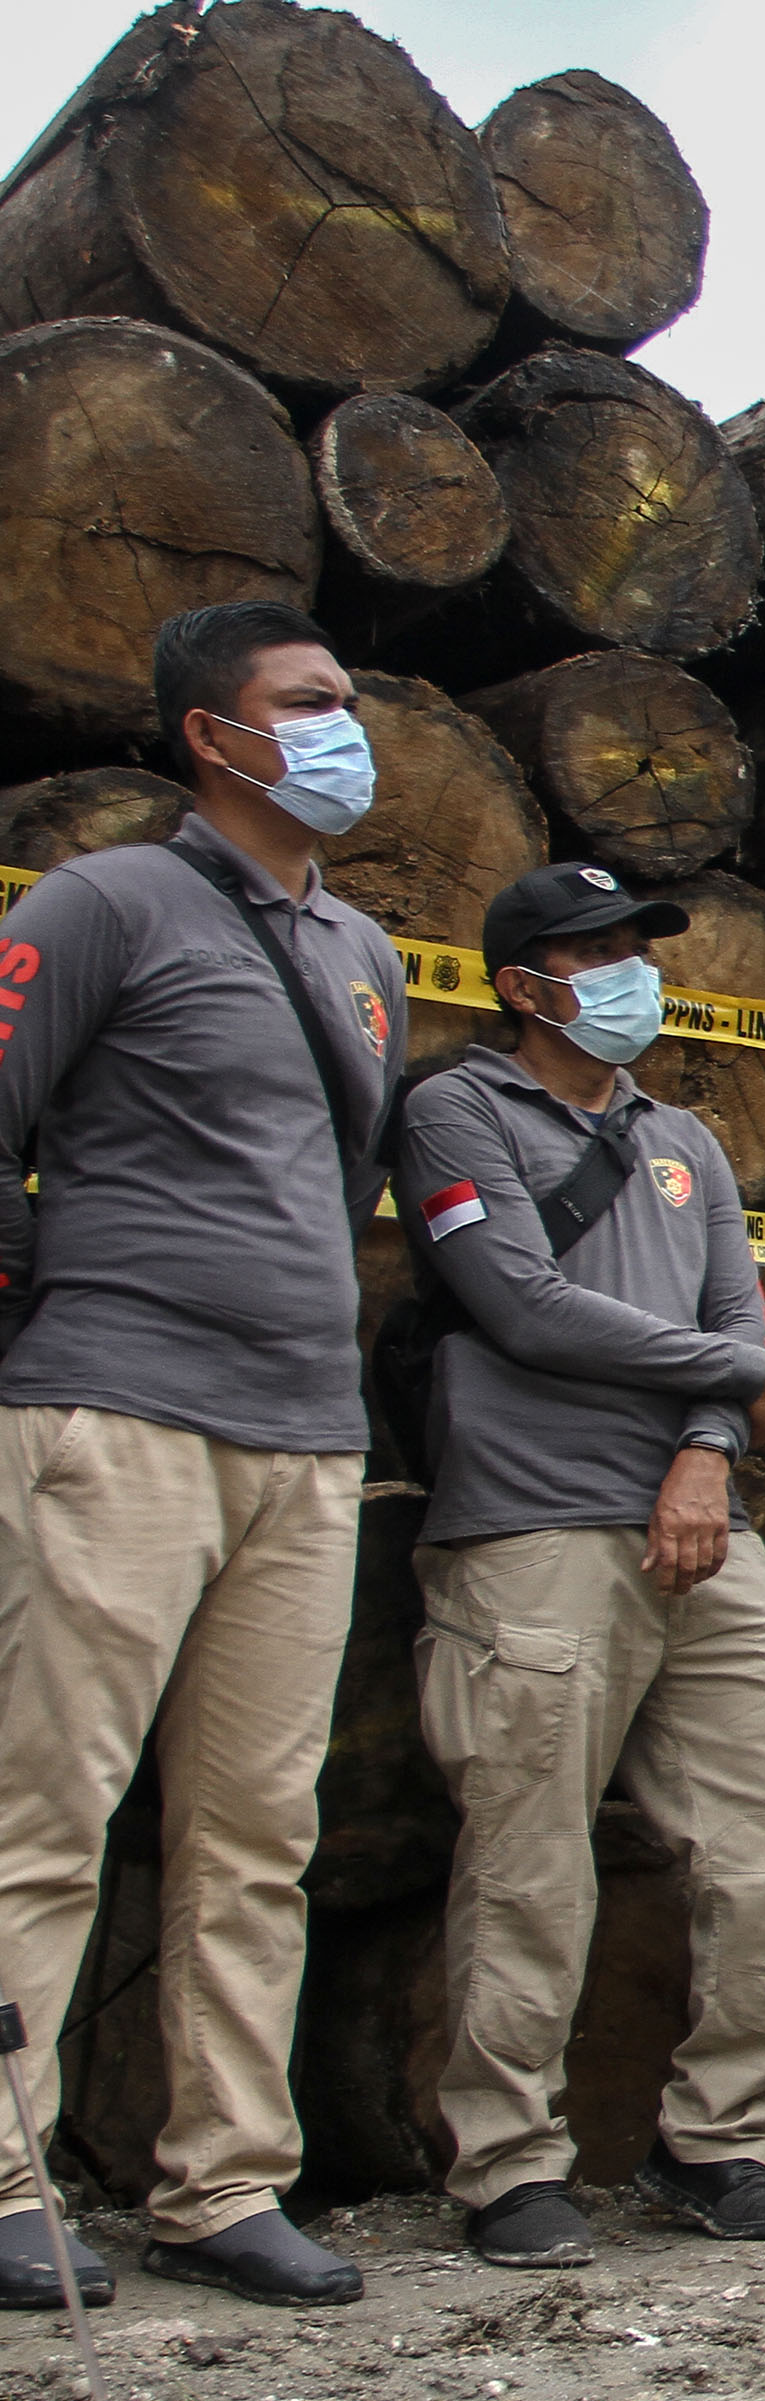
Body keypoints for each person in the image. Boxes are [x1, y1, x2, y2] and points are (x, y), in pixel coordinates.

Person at [0, 603, 399, 2312]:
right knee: (45, 1809)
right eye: (306, 703)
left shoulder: (367, 955)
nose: (344, 729)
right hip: (119, 1417)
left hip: (304, 1439)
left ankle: (224, 2179)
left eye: (348, 700)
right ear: (209, 735)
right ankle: (5, 2175)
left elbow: (342, 1184)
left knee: (256, 1831)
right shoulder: (101, 905)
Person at [395, 864, 765, 2268]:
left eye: (634, 949)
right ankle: (508, 2163)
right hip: (530, 1526)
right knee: (526, 1861)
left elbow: (737, 1319)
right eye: (592, 955)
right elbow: (521, 1305)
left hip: (703, 1528)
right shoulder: (457, 1111)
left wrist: (708, 1445)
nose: (627, 975)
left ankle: (718, 2140)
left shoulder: (687, 1139)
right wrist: (730, 1373)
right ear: (521, 985)